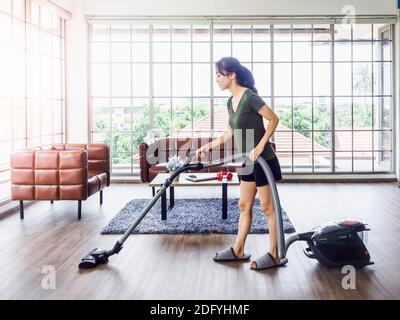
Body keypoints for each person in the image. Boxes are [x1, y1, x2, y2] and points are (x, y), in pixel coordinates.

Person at [195, 57, 287, 270]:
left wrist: (261, 146)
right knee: (244, 205)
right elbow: (230, 132)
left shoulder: (250, 97)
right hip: (246, 161)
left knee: (267, 208)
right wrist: (208, 146)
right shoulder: (231, 102)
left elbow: (274, 119)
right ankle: (238, 250)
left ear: (231, 75)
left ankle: (274, 254)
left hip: (263, 160)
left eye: (219, 75)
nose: (216, 79)